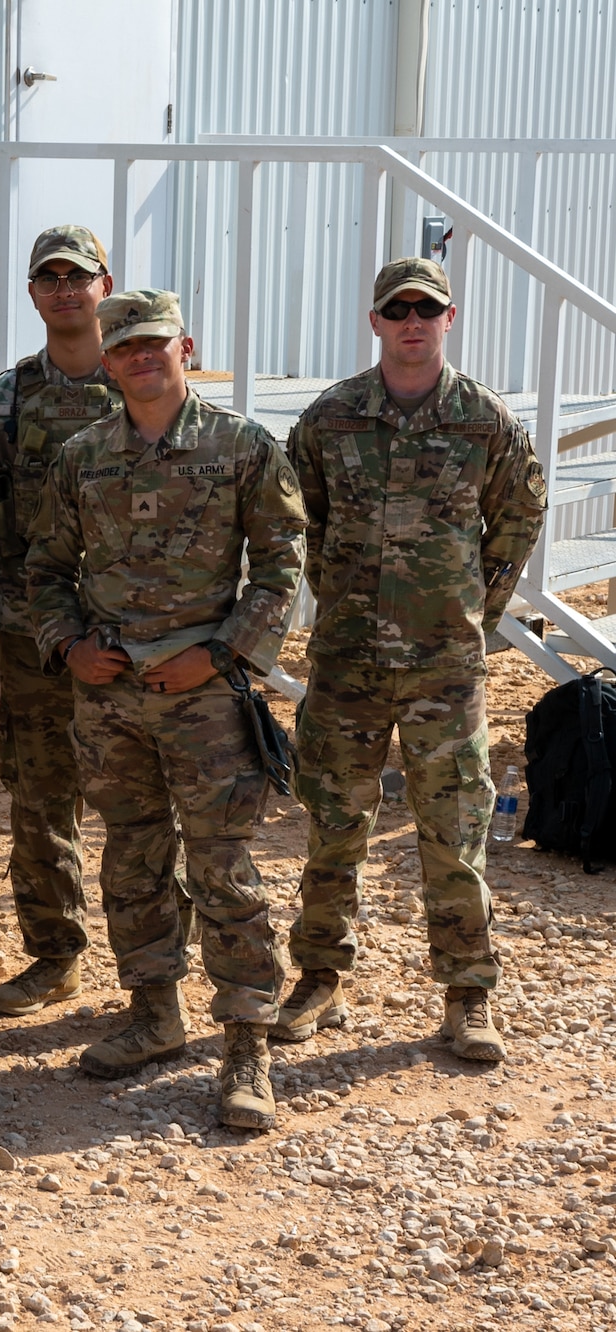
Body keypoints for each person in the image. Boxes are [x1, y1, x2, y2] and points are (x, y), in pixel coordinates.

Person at [25, 289, 304, 1131]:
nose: (141, 359)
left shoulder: (242, 447)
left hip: (207, 694)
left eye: (155, 344)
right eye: (125, 349)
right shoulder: (82, 457)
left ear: (187, 346)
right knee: (134, 859)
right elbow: (43, 569)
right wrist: (69, 645)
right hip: (109, 697)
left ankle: (247, 1042)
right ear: (107, 362)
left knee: (224, 865)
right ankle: (154, 1014)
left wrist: (218, 655)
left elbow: (283, 566)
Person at [279, 257, 546, 1060]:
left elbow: (518, 519)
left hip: (445, 669)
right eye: (397, 309)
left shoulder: (483, 420)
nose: (412, 322)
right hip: (348, 665)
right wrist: (342, 603)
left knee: (454, 832)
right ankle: (320, 979)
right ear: (375, 321)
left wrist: (473, 616)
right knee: (333, 827)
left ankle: (468, 995)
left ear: (449, 318)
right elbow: (301, 522)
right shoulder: (331, 419)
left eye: (427, 309)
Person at [0, 225, 176, 1016]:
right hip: (32, 640)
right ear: (32, 294)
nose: (62, 290)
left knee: (144, 804)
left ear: (103, 283)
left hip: (138, 641)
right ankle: (56, 955)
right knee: (41, 802)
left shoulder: (144, 382)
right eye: (46, 277)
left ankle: (155, 966)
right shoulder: (4, 401)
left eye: (76, 277)